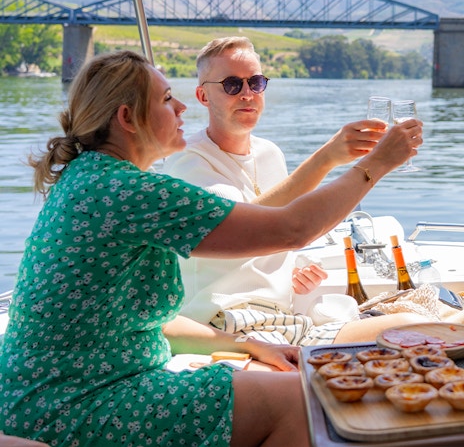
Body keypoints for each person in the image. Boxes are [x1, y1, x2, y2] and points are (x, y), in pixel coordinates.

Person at [0, 50, 421, 447]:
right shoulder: (128, 191)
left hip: (42, 395)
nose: (182, 108)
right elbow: (293, 228)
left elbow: (136, 324)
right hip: (75, 405)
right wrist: (375, 165)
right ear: (127, 118)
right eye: (167, 99)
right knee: (301, 401)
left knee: (295, 386)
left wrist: (248, 346)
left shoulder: (89, 178)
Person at [165, 36, 426, 346]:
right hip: (227, 322)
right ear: (203, 96)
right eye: (232, 85)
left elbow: (281, 232)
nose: (248, 94)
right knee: (411, 331)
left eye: (256, 82)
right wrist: (327, 158)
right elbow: (242, 227)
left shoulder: (270, 153)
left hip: (283, 318)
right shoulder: (187, 161)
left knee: (424, 322)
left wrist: (293, 266)